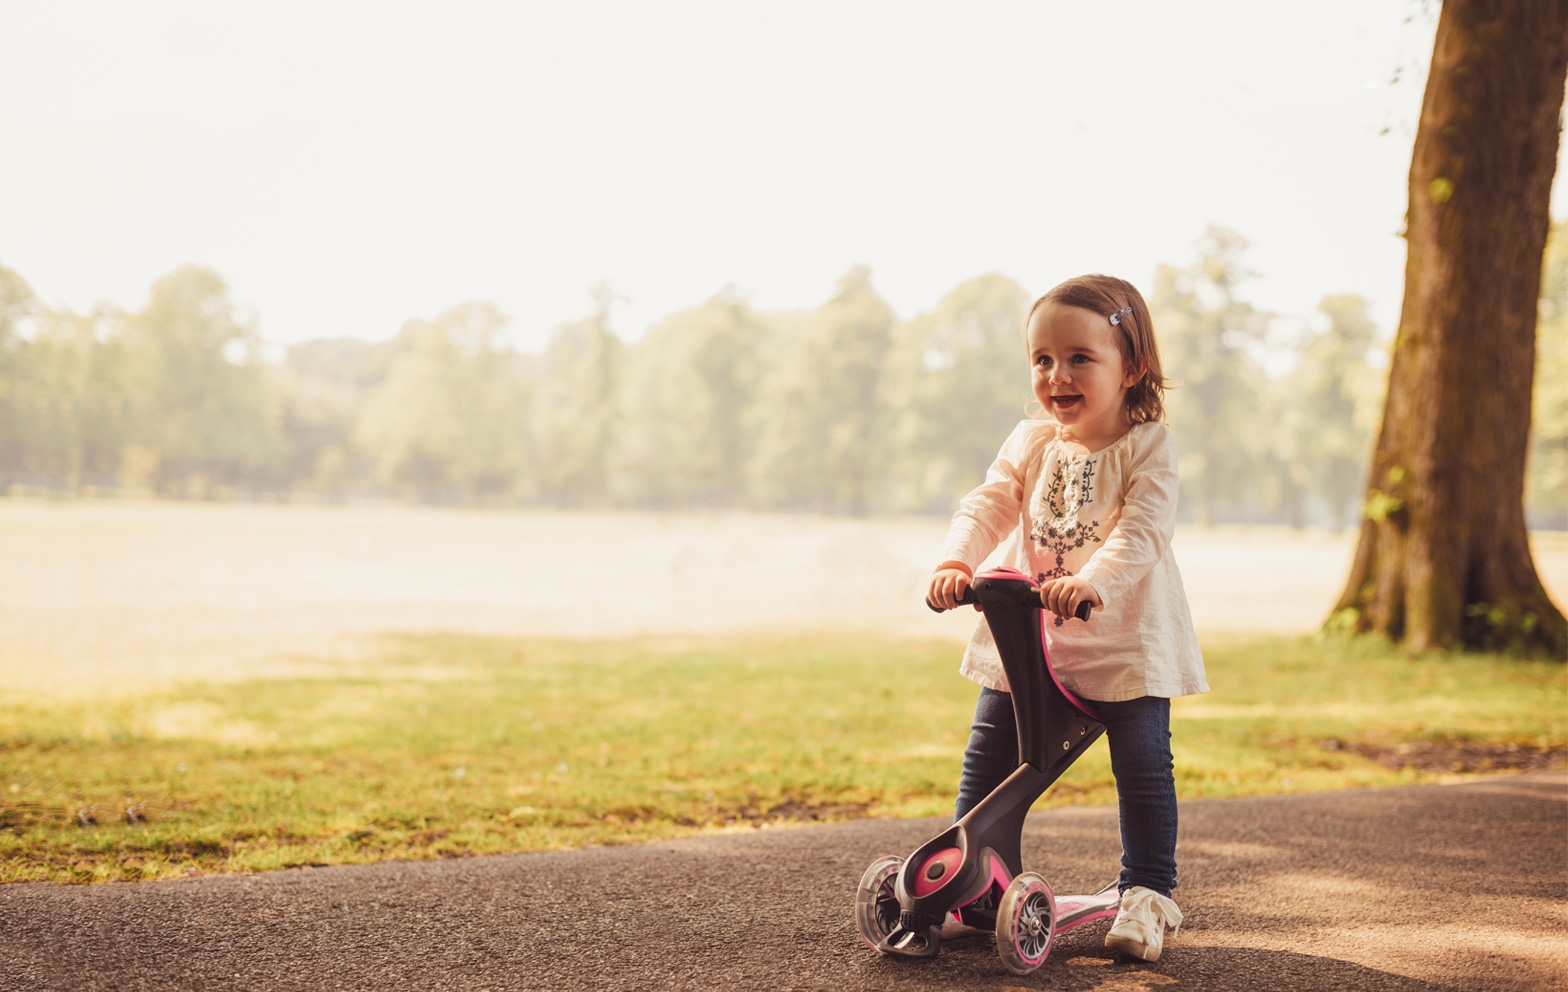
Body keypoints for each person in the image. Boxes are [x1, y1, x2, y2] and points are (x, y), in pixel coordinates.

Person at [925, 274, 1207, 963]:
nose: (1058, 374)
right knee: (989, 752)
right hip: (1027, 637)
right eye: (1043, 359)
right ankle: (972, 869)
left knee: (1142, 765)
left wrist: (1091, 582)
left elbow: (1141, 533)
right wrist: (955, 563)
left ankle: (1146, 893)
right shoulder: (1029, 442)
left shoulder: (1148, 447)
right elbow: (986, 505)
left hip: (1122, 641)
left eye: (1081, 357)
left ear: (1131, 365)